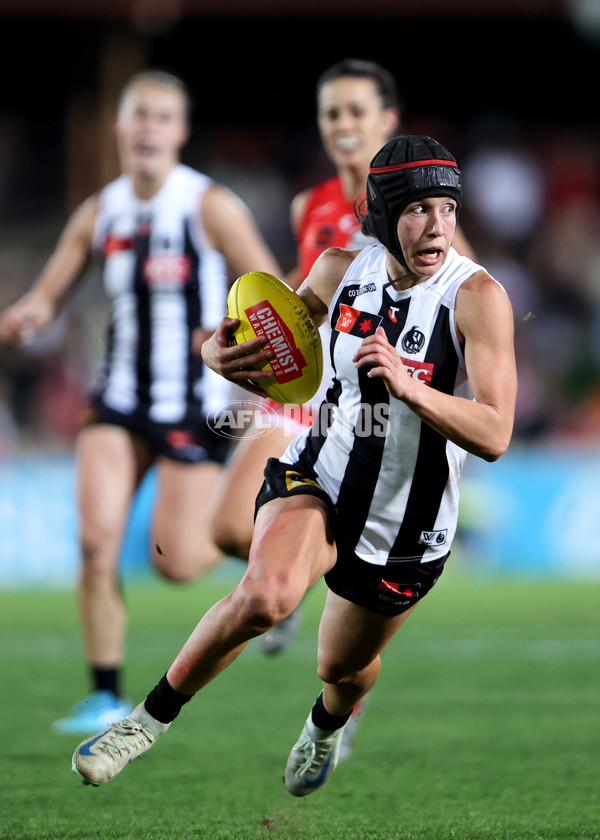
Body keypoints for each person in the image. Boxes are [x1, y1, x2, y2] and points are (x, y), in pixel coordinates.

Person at [71, 134, 517, 796]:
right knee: (266, 594)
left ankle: (326, 724)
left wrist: (412, 386)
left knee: (342, 668)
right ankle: (142, 722)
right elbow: (267, 335)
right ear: (386, 212)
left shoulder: (476, 297)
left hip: (407, 525)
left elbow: (496, 431)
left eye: (448, 209)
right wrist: (216, 352)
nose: (439, 227)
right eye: (420, 209)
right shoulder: (340, 271)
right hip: (319, 474)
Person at [0, 70, 282, 734]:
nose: (149, 127)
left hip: (193, 405)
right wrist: (26, 316)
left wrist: (230, 334)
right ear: (120, 128)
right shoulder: (101, 211)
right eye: (139, 116)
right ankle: (103, 695)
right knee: (96, 540)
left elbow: (276, 294)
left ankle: (271, 555)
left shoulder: (210, 206)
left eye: (162, 117)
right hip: (119, 397)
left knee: (181, 563)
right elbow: (49, 293)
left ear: (179, 132)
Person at [207, 59, 476, 660]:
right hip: (314, 388)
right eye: (332, 112)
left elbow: (465, 294)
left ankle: (338, 679)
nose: (343, 124)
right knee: (226, 526)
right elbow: (302, 292)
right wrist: (239, 329)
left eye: (357, 111)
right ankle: (292, 584)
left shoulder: (417, 206)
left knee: (358, 594)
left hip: (385, 400)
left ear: (387, 120)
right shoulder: (312, 204)